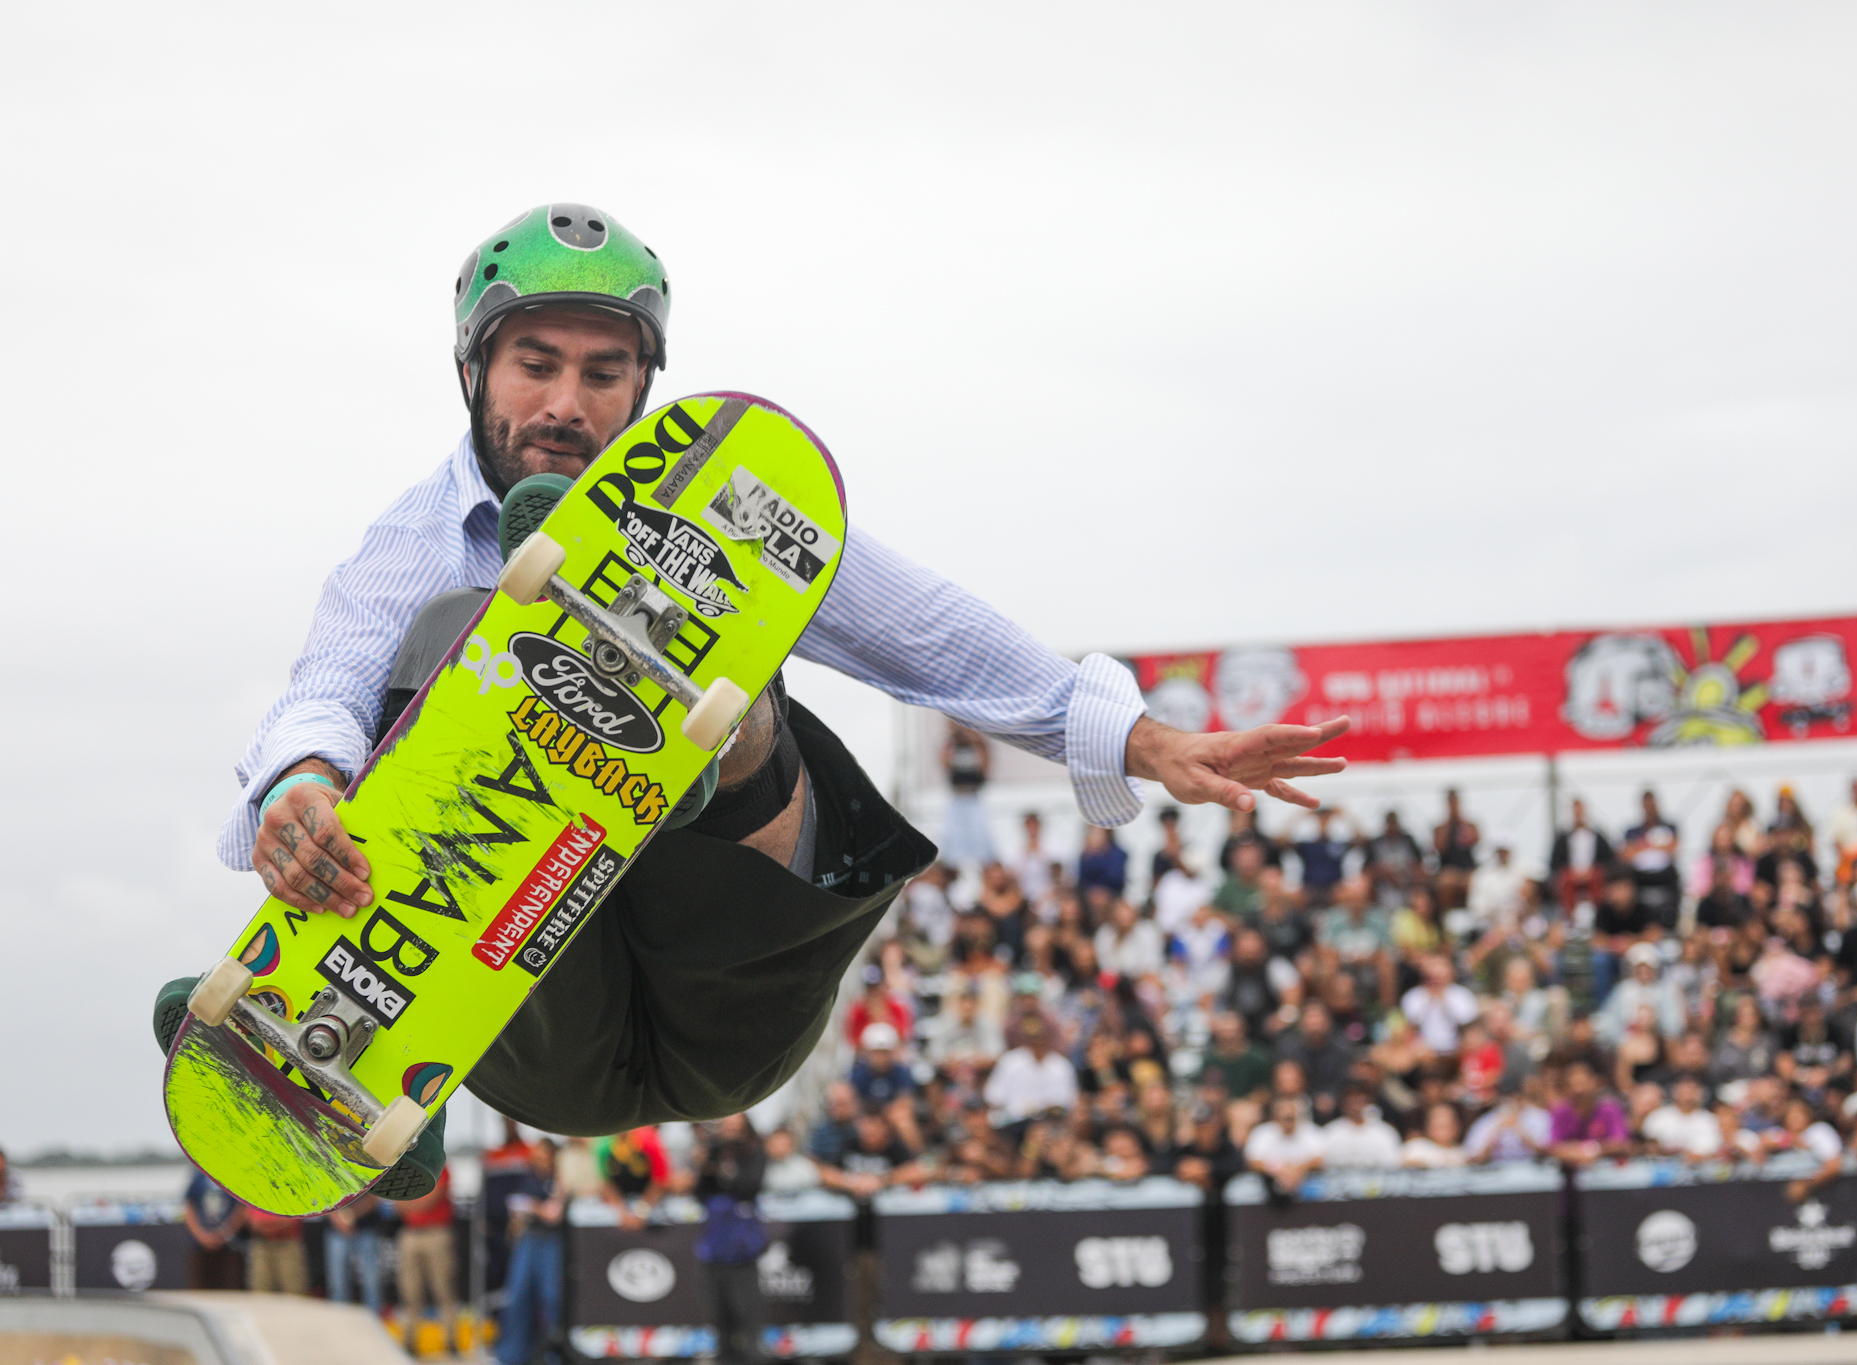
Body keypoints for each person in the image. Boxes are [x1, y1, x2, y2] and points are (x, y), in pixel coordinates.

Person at [152, 205, 1349, 1195]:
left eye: (603, 373)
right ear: (475, 373)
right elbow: (327, 683)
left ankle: (671, 730)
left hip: (728, 995)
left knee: (710, 606)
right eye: (536, 366)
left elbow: (921, 629)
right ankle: (358, 1057)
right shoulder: (410, 542)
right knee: (449, 635)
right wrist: (302, 784)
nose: (567, 403)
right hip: (542, 1033)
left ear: (641, 386)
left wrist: (1140, 739)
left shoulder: (723, 511)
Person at [696, 1115, 769, 1365]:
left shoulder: (754, 1152)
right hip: (715, 1245)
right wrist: (706, 1166)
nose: (732, 1133)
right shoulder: (714, 1151)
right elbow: (701, 1192)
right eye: (727, 1128)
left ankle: (753, 1357)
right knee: (718, 1314)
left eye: (737, 1128)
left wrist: (725, 1169)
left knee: (747, 1313)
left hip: (742, 1247)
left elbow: (749, 1186)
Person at [497, 1139, 567, 1365]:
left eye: (544, 1158)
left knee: (551, 1298)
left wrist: (532, 1206)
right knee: (517, 1296)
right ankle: (512, 1356)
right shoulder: (528, 1178)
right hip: (528, 1240)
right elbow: (516, 1213)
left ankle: (555, 1355)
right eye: (536, 1158)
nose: (539, 1162)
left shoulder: (558, 1179)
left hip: (552, 1242)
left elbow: (554, 1213)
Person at [396, 1168, 460, 1346]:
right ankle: (409, 1340)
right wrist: (412, 1203)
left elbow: (432, 1198)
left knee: (444, 1288)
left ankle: (450, 1340)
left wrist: (409, 1202)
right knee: (409, 1290)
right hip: (411, 1232)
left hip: (437, 1232)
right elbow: (397, 1202)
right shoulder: (405, 1169)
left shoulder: (438, 1166)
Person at [983, 1014, 1078, 1127]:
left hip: (1050, 1122)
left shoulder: (1061, 1065)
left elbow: (1068, 1101)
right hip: (1015, 1122)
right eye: (1033, 1039)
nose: (1038, 1044)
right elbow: (993, 1096)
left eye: (1041, 1039)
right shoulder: (1010, 1062)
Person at [940, 722, 995, 867]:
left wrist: (973, 736)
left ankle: (983, 862)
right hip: (958, 796)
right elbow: (944, 762)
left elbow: (985, 760)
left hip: (974, 796)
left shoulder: (977, 746)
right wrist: (953, 736)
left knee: (979, 835)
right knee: (954, 836)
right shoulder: (952, 746)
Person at [1243, 1096, 1326, 1193]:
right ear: (1275, 1117)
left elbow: (1319, 1160)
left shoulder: (1312, 1131)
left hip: (1305, 1179)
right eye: (1284, 1118)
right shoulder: (1261, 1132)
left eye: (1291, 1118)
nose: (1288, 1121)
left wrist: (1297, 1170)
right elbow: (1252, 1162)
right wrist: (1279, 1170)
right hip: (1268, 1179)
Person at [1623, 791, 1681, 927]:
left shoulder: (1670, 827)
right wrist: (1656, 845)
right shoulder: (1632, 831)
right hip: (1640, 876)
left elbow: (1672, 849)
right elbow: (1627, 854)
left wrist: (1642, 846)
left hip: (1664, 875)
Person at [325, 1191, 385, 1314]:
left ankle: (373, 1318)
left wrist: (350, 1215)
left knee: (371, 1281)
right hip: (337, 1230)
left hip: (366, 1226)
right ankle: (340, 1319)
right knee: (337, 1281)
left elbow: (375, 1197)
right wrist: (339, 1220)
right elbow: (324, 1196)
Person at [1549, 799, 1614, 912]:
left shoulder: (1598, 837)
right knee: (1565, 881)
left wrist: (1590, 872)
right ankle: (1569, 914)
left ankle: (1599, 913)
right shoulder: (1562, 838)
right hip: (1570, 874)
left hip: (1593, 873)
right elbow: (1555, 862)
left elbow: (1609, 859)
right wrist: (1573, 873)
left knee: (1598, 879)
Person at [183, 1171, 244, 1290]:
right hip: (201, 1247)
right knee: (200, 1288)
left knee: (231, 1289)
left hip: (231, 1246)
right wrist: (201, 1235)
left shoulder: (235, 1174)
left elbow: (242, 1208)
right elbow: (189, 1207)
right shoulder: (199, 1176)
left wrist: (226, 1233)